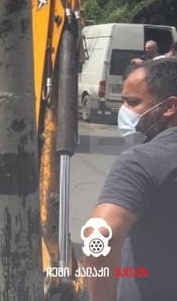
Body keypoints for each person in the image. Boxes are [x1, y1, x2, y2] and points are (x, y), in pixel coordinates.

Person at [84, 59, 177, 301]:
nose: (123, 111)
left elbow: (99, 238)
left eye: (132, 102)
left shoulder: (142, 161)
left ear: (169, 107)